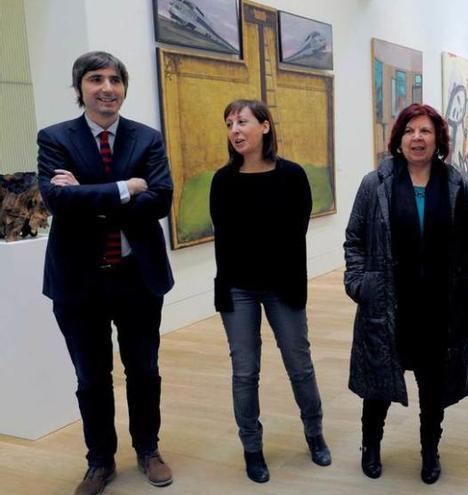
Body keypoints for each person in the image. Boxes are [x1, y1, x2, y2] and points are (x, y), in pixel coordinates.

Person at [37, 51, 175, 495]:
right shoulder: (55, 138)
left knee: (144, 370)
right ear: (80, 88)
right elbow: (57, 202)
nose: (107, 88)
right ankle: (99, 461)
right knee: (91, 377)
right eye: (96, 79)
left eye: (115, 79)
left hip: (137, 276)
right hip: (79, 281)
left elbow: (160, 201)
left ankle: (148, 449)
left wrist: (88, 195)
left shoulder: (146, 139)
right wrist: (124, 188)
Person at [344, 103, 468, 484]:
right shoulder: (376, 184)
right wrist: (358, 282)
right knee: (378, 384)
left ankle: (430, 450)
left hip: (439, 306)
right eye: (409, 131)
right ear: (398, 139)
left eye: (425, 131)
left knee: (433, 387)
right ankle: (371, 445)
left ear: (438, 140)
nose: (416, 138)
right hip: (387, 302)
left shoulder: (456, 186)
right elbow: (354, 239)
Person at [209, 99, 331, 483]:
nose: (235, 130)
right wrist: (223, 290)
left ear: (264, 126)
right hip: (238, 290)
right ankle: (252, 449)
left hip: (283, 287)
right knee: (245, 372)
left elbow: (298, 234)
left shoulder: (291, 175)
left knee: (300, 366)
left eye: (242, 121)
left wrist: (296, 285)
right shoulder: (223, 180)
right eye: (229, 124)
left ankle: (314, 434)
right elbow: (223, 240)